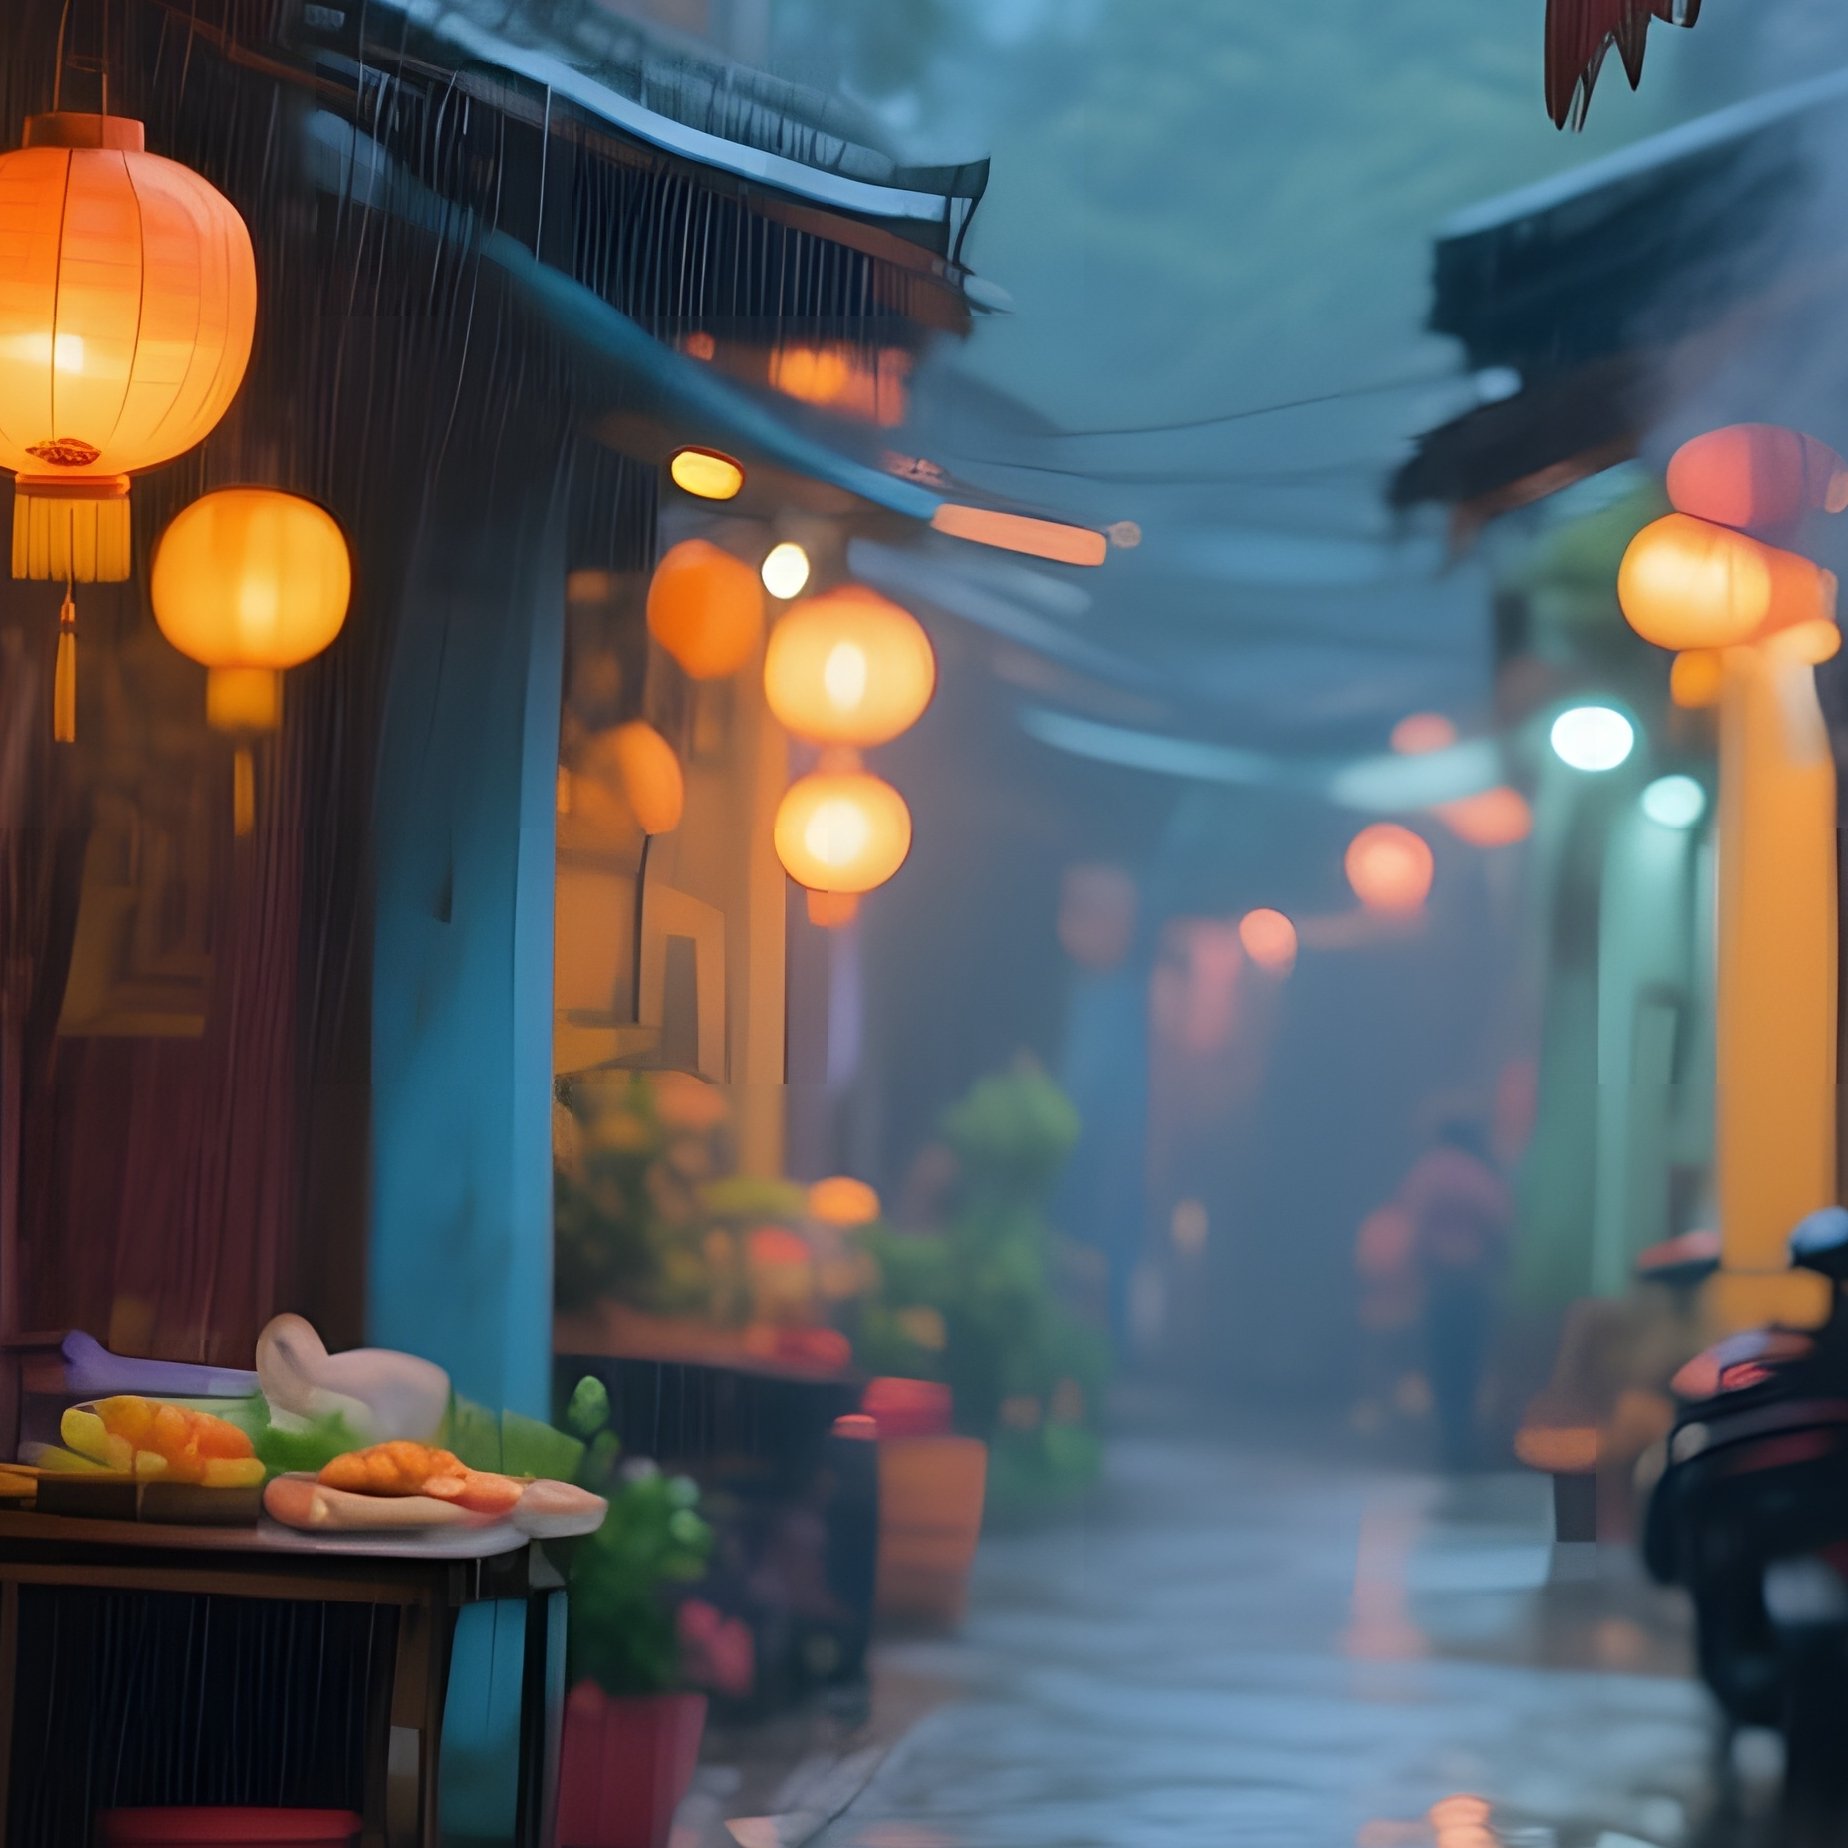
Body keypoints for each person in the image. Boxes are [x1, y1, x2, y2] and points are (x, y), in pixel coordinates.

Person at [1398, 1111, 1512, 1470]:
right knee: (1469, 1365)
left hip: (1440, 1284)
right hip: (1472, 1283)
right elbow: (1500, 1224)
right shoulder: (1478, 1175)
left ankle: (1449, 1442)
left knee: (1442, 1366)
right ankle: (1464, 1444)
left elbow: (1413, 1230)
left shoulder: (1427, 1174)